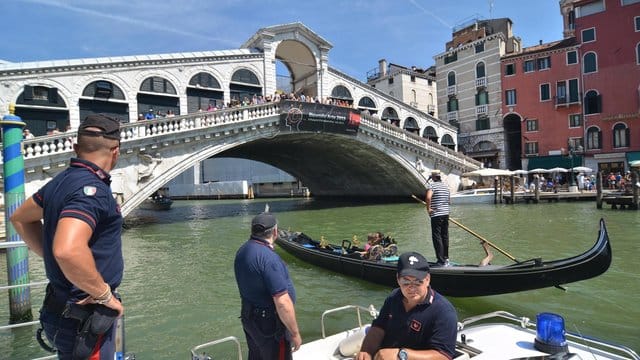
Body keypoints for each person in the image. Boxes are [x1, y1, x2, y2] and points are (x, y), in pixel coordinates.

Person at [10, 114, 124, 359]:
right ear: (115, 151)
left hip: (59, 309)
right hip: (85, 316)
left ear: (75, 148)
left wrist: (52, 258)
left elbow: (20, 218)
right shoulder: (92, 190)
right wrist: (105, 295)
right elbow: (68, 250)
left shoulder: (60, 181)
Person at [356, 251, 458, 360]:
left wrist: (401, 355)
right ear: (398, 279)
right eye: (406, 282)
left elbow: (444, 356)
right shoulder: (394, 297)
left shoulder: (444, 312)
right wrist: (366, 351)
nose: (412, 288)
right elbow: (379, 326)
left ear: (427, 280)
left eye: (418, 282)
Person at [234, 212, 302, 360]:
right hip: (269, 325)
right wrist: (295, 333)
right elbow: (283, 302)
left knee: (256, 356)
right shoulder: (269, 259)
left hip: (250, 318)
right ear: (275, 232)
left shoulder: (242, 251)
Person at [425, 169, 451, 266]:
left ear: (433, 177)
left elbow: (428, 197)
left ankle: (440, 261)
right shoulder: (446, 186)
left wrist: (428, 209)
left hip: (437, 214)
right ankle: (446, 258)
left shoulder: (432, 185)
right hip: (446, 214)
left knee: (437, 237)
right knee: (445, 236)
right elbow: (449, 201)